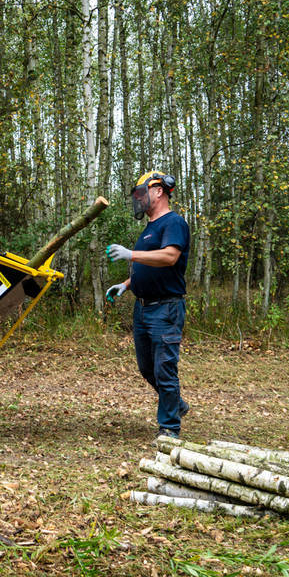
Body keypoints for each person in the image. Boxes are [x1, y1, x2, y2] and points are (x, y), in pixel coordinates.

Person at [105, 171, 190, 439]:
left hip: (165, 308)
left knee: (164, 368)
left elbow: (169, 257)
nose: (139, 199)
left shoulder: (173, 222)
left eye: (142, 193)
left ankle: (169, 429)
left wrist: (130, 254)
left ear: (159, 191)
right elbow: (148, 266)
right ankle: (174, 403)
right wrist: (126, 285)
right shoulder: (149, 229)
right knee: (147, 368)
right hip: (142, 308)